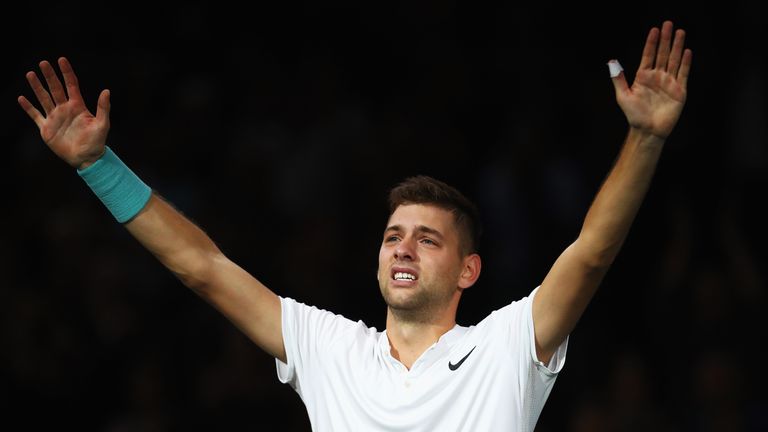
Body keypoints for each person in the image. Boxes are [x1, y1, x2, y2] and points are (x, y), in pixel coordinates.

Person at [18, 20, 691, 431]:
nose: (403, 248)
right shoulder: (330, 348)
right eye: (394, 235)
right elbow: (203, 268)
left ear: (468, 270)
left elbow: (593, 253)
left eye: (428, 239)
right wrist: (98, 165)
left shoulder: (508, 349)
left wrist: (646, 140)